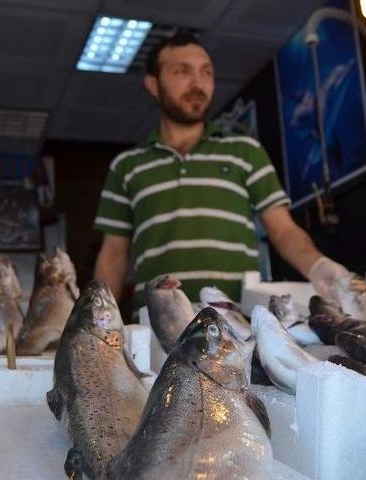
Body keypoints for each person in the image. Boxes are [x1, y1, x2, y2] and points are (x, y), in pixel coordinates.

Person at [93, 33, 349, 311]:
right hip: (155, 324)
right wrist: (96, 318)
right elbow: (114, 254)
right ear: (153, 84)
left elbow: (282, 230)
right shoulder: (127, 165)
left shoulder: (245, 151)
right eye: (182, 71)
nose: (198, 83)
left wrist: (319, 267)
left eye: (207, 72)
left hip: (235, 324)